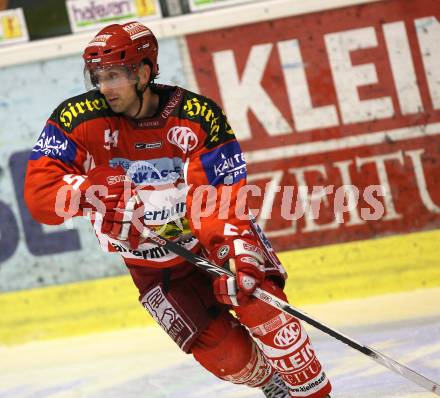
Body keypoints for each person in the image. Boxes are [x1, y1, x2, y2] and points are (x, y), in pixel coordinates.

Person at [24, 21, 332, 397]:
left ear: (143, 71)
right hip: (151, 268)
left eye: (114, 76)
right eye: (98, 77)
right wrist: (88, 190)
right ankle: (272, 385)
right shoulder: (75, 118)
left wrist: (232, 249)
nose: (104, 88)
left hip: (208, 243)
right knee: (227, 356)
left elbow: (222, 197)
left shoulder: (198, 115)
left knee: (256, 300)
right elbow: (41, 197)